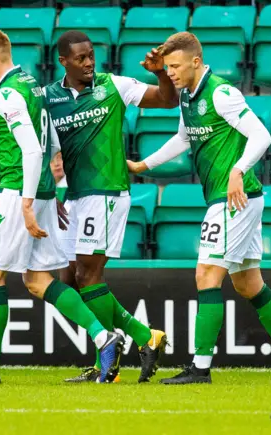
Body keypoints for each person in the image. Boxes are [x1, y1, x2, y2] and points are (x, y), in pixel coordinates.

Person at [127, 32, 271, 385]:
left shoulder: (222, 93)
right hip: (236, 200)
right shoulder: (187, 95)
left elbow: (262, 136)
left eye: (176, 67)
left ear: (196, 61)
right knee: (248, 284)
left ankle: (199, 368)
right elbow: (184, 138)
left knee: (206, 276)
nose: (170, 74)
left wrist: (237, 170)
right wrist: (144, 166)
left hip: (233, 200)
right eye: (167, 68)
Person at [0, 29, 124, 385]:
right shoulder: (33, 85)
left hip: (18, 194)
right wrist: (47, 193)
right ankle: (105, 338)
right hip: (40, 192)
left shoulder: (9, 93)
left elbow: (31, 149)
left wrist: (25, 202)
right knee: (38, 280)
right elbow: (52, 141)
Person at [44, 30, 178, 384]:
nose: (89, 63)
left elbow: (167, 101)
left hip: (106, 192)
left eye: (91, 55)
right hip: (73, 196)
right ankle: (143, 336)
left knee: (89, 275)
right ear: (63, 61)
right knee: (69, 279)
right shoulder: (49, 98)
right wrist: (53, 194)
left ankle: (109, 365)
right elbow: (41, 151)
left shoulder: (114, 85)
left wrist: (160, 72)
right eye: (81, 58)